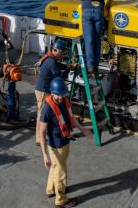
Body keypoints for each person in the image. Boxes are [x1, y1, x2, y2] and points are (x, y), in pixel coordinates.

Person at [38, 77, 92, 207]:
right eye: (59, 94)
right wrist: (45, 154)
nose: (61, 96)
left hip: (65, 141)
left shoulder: (64, 102)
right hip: (56, 146)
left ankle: (51, 190)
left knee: (56, 167)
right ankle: (61, 201)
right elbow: (42, 132)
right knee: (61, 172)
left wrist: (84, 130)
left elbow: (71, 119)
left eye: (63, 93)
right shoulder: (47, 109)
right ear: (52, 93)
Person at [35, 39, 72, 145]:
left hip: (44, 89)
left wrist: (66, 66)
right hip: (43, 91)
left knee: (46, 113)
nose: (62, 55)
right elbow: (59, 79)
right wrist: (69, 70)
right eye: (62, 53)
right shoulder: (51, 62)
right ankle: (39, 138)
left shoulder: (49, 57)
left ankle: (44, 133)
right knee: (41, 114)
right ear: (57, 51)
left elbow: (58, 65)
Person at [79, 0, 112, 74]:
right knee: (97, 40)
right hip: (98, 13)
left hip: (86, 14)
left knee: (89, 40)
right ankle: (96, 66)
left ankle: (90, 66)